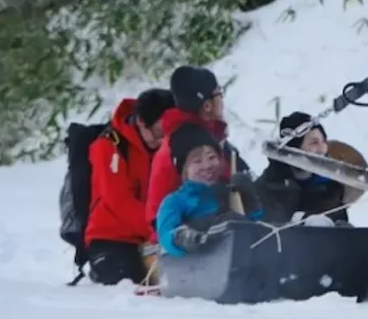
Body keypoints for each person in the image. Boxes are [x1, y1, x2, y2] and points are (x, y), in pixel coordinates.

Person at [144, 65, 254, 233]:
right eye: (219, 94)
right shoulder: (188, 144)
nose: (222, 100)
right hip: (182, 238)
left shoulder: (206, 136)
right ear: (207, 105)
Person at [84, 88, 176, 285]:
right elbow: (118, 202)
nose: (163, 141)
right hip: (112, 238)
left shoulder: (165, 148)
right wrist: (159, 227)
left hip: (154, 238)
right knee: (134, 287)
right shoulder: (109, 146)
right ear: (142, 121)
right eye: (159, 133)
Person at [155, 124, 264, 257]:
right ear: (183, 168)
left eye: (211, 157)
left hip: (243, 263)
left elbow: (257, 229)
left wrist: (250, 199)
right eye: (197, 161)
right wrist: (181, 238)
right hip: (201, 269)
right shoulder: (175, 201)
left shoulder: (229, 191)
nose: (207, 166)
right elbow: (165, 235)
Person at [255, 111, 350, 225]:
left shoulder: (331, 186)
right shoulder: (265, 188)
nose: (322, 149)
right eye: (314, 143)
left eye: (324, 141)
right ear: (294, 147)